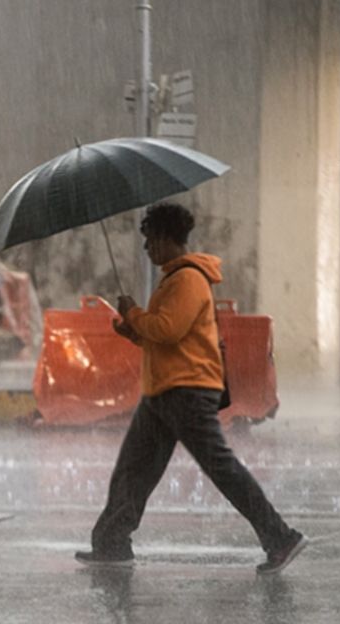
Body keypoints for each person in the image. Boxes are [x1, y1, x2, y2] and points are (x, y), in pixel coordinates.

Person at [76, 202, 305, 574]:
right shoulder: (174, 279)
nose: (147, 248)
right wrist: (133, 331)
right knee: (133, 469)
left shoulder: (188, 279)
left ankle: (280, 537)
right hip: (164, 391)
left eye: (150, 240)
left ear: (166, 238)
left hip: (186, 391)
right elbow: (165, 338)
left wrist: (133, 313)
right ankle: (111, 543)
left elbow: (168, 330)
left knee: (221, 468)